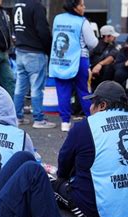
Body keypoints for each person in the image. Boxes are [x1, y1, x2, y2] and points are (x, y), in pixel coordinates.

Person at [53, 81, 128, 217]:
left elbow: (64, 163)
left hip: (99, 213)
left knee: (52, 184)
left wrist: (62, 180)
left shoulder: (86, 126)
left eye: (92, 103)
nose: (90, 108)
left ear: (102, 105)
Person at [49, 0, 98, 132]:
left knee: (63, 92)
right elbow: (92, 43)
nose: (84, 7)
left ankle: (65, 122)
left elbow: (54, 35)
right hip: (79, 60)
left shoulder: (57, 18)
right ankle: (91, 120)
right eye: (81, 5)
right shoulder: (82, 21)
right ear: (74, 7)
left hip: (60, 60)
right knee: (83, 90)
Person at [12, 0, 55, 129]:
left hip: (20, 50)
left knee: (20, 86)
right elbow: (43, 31)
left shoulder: (16, 5)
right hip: (35, 52)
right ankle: (39, 119)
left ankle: (17, 117)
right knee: (37, 87)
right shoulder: (36, 6)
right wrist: (48, 49)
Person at [90, 25, 119, 90]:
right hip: (93, 74)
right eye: (112, 35)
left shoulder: (113, 45)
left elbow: (112, 56)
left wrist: (100, 64)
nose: (115, 37)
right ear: (107, 36)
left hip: (105, 74)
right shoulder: (95, 45)